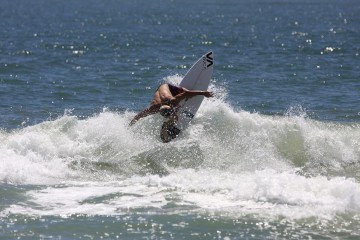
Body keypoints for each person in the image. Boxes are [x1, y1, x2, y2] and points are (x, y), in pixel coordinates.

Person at [129, 83, 213, 127]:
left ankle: (169, 122)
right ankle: (167, 124)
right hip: (159, 97)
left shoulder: (173, 100)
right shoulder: (153, 108)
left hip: (167, 87)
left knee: (186, 95)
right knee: (175, 118)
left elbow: (186, 93)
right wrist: (131, 123)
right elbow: (139, 116)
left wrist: (203, 93)